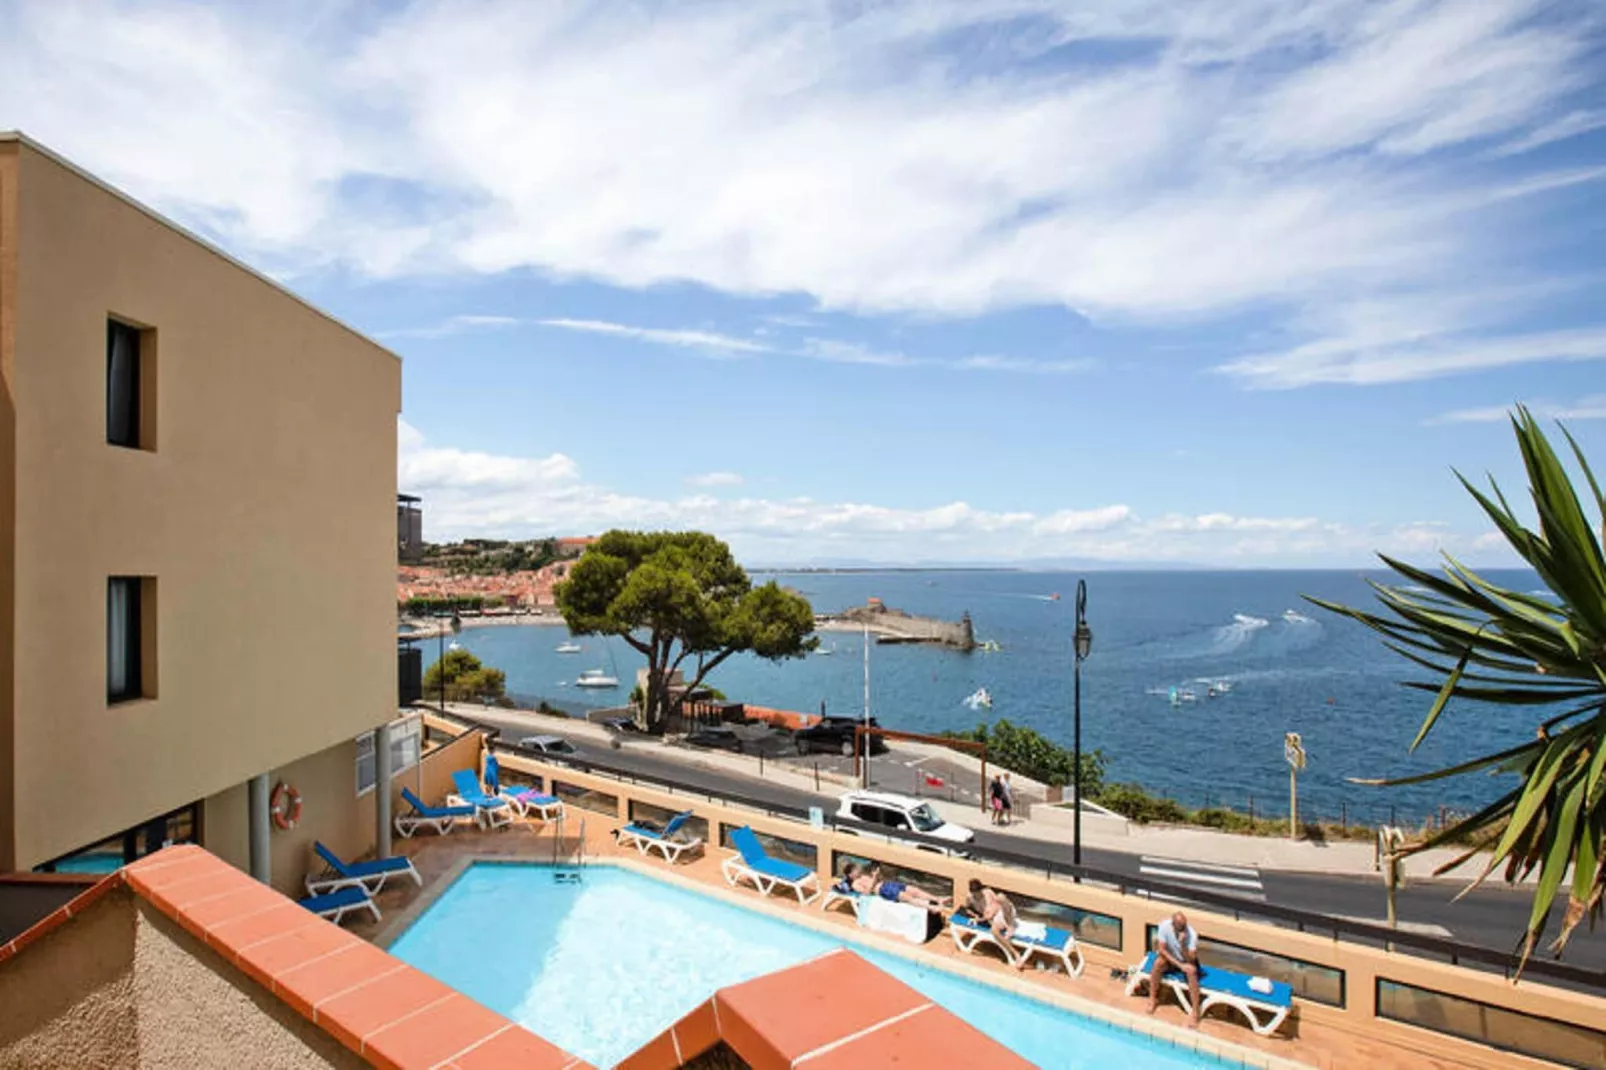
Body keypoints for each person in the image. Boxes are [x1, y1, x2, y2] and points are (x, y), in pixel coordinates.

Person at [1148, 911, 1202, 1029]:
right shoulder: (1164, 926)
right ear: (1173, 925)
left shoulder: (1192, 934)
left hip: (1186, 960)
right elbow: (1162, 950)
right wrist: (1179, 965)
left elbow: (1191, 959)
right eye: (1181, 927)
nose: (1184, 929)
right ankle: (1152, 999)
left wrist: (1183, 945)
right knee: (1158, 963)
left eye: (1184, 926)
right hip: (1171, 959)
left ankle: (1195, 1012)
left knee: (1192, 972)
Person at [841, 862, 951, 912]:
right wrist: (874, 878)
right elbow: (867, 892)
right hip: (883, 890)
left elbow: (877, 880)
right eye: (854, 870)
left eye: (856, 868)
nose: (857, 869)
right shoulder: (855, 884)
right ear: (850, 875)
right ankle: (932, 908)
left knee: (914, 890)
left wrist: (878, 875)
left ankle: (938, 899)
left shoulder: (863, 875)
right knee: (908, 898)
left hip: (888, 884)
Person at [964, 878, 1024, 966]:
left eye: (978, 892)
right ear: (971, 892)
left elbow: (998, 905)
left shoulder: (988, 892)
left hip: (1004, 912)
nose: (977, 895)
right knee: (994, 931)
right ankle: (1016, 954)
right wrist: (976, 916)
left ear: (981, 889)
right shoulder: (970, 897)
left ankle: (1010, 926)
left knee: (1001, 896)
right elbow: (967, 909)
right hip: (995, 919)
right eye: (975, 893)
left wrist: (991, 912)